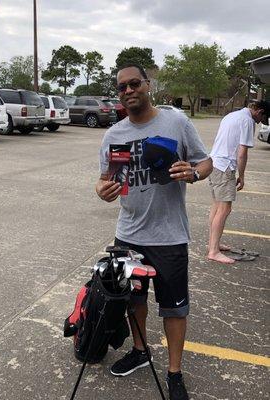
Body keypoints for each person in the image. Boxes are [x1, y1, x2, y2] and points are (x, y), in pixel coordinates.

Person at [96, 63, 212, 400]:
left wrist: (193, 172)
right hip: (128, 234)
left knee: (174, 308)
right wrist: (100, 190)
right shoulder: (113, 134)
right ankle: (140, 350)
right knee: (134, 301)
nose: (129, 91)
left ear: (148, 85)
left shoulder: (175, 121)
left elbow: (206, 162)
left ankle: (174, 373)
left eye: (134, 84)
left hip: (169, 236)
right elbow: (106, 178)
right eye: (122, 87)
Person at [207, 100, 270, 264]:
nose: (260, 121)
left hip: (214, 163)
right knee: (225, 208)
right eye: (262, 118)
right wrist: (241, 176)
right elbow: (242, 153)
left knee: (217, 206)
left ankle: (213, 244)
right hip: (225, 166)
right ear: (259, 111)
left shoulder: (232, 115)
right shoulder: (247, 121)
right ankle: (213, 251)